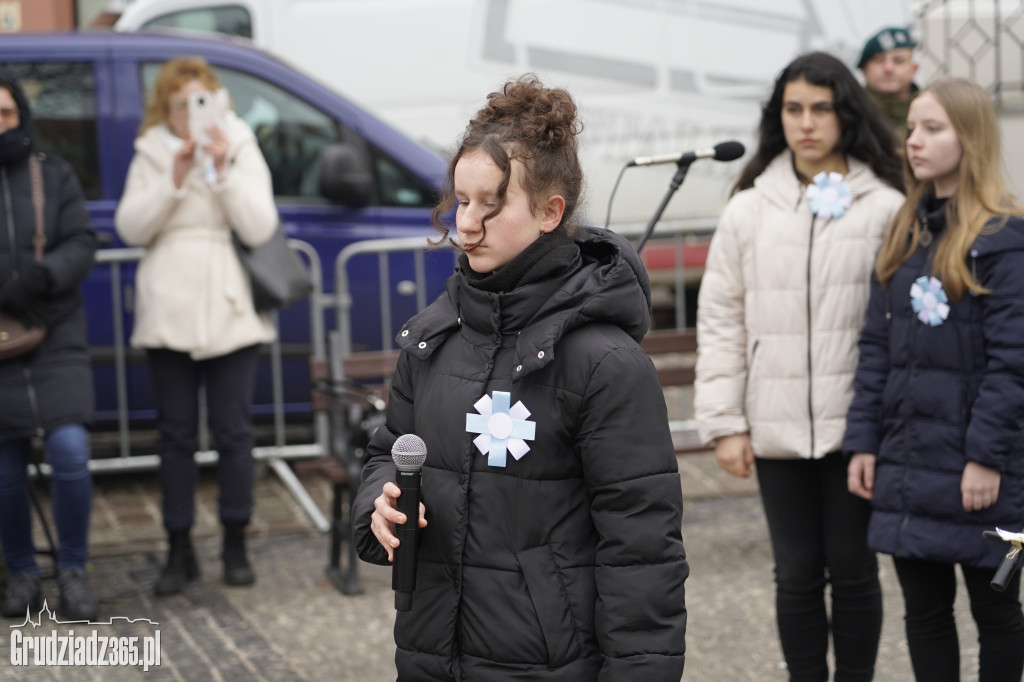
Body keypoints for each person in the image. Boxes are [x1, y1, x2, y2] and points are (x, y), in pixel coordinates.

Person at [352, 74, 687, 680]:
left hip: (548, 664)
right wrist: (379, 505)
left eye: (491, 203)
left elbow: (642, 553)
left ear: (549, 212)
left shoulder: (605, 363)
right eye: (460, 200)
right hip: (431, 654)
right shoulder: (432, 339)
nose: (466, 224)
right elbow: (386, 452)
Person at [694, 51, 905, 681]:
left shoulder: (885, 207)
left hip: (857, 431)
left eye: (821, 108)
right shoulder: (747, 210)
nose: (806, 123)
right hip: (776, 425)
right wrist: (726, 422)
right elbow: (722, 320)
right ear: (777, 117)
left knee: (854, 567)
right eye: (793, 109)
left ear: (846, 113)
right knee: (795, 571)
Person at [844, 77, 1024, 682]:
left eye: (932, 128)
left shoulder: (1004, 241)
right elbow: (876, 349)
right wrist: (864, 441)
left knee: (994, 612)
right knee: (924, 613)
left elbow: (1013, 363)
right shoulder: (907, 229)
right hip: (908, 459)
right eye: (911, 128)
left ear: (968, 138)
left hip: (978, 468)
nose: (913, 141)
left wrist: (986, 458)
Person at [115, 57, 278, 595]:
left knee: (234, 430)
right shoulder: (151, 150)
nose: (191, 113)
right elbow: (131, 227)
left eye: (200, 100)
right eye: (180, 104)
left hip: (229, 304)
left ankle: (235, 537)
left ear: (219, 100)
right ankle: (178, 546)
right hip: (169, 304)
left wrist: (222, 171)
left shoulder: (238, 142)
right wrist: (176, 177)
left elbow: (260, 225)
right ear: (166, 108)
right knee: (175, 433)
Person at [0, 71, 99, 620]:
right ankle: (21, 574)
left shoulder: (52, 174)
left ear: (21, 116)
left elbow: (82, 240)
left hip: (54, 331)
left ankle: (74, 570)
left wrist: (42, 278)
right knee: (4, 467)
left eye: (6, 114)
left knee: (69, 450)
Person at [858, 26, 920, 143]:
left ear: (914, 69)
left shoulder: (934, 113)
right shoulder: (848, 113)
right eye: (879, 60)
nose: (888, 68)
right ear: (864, 70)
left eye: (898, 60)